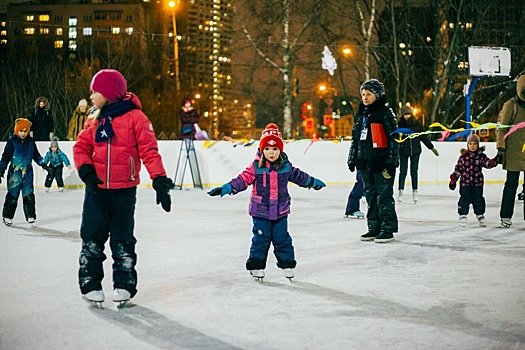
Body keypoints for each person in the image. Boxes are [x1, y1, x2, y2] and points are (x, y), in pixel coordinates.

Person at [73, 69, 174, 308]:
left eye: (95, 91)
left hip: (124, 192)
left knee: (122, 240)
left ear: (109, 94)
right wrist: (86, 170)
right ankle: (90, 283)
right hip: (96, 191)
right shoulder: (94, 118)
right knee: (92, 239)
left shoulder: (137, 119)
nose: (91, 95)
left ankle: (124, 285)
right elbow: (81, 147)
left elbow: (149, 151)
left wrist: (159, 181)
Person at [207, 123, 326, 281]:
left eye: (275, 149)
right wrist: (226, 188)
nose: (271, 152)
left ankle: (287, 264)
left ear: (280, 150)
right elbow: (242, 179)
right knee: (261, 239)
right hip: (260, 211)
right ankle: (256, 266)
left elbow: (299, 176)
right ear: (262, 150)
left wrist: (312, 182)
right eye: (268, 149)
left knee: (282, 237)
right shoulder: (256, 166)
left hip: (280, 211)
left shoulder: (286, 166)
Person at [347, 78, 399, 243]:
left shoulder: (385, 113)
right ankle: (373, 228)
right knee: (370, 196)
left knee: (383, 196)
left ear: (377, 95)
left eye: (369, 94)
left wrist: (391, 162)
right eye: (363, 94)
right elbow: (356, 138)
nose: (365, 97)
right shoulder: (361, 114)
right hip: (365, 163)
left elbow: (394, 139)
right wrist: (352, 158)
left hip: (382, 163)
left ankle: (387, 228)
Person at [0, 118, 50, 226]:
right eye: (21, 131)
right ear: (16, 131)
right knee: (13, 196)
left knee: (28, 195)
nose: (23, 133)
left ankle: (30, 215)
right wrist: (1, 169)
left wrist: (44, 165)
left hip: (27, 174)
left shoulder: (31, 142)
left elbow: (36, 155)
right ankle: (7, 216)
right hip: (14, 174)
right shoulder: (12, 142)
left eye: (25, 131)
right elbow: (5, 157)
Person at [449, 133, 497, 227]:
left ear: (478, 145)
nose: (472, 146)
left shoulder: (481, 156)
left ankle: (480, 215)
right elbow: (458, 169)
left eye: (474, 144)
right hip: (465, 183)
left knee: (478, 199)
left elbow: (488, 164)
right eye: (470, 144)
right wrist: (453, 179)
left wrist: (495, 160)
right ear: (467, 145)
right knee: (464, 199)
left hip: (477, 183)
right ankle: (463, 215)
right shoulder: (463, 157)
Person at [496, 75, 525, 228]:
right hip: (514, 151)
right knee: (511, 184)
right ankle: (506, 215)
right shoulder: (511, 105)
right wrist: (501, 148)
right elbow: (502, 129)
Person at [397, 105, 439, 203]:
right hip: (403, 151)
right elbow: (396, 139)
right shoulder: (399, 125)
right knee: (403, 171)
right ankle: (401, 191)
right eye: (405, 115)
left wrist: (431, 147)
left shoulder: (417, 124)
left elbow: (423, 137)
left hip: (415, 151)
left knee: (414, 171)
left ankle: (415, 191)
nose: (407, 116)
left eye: (408, 114)